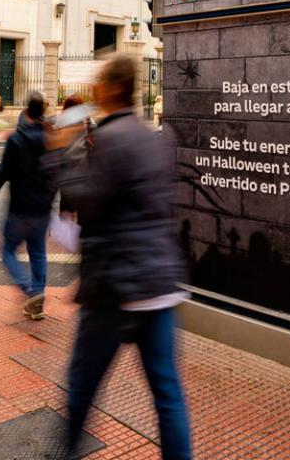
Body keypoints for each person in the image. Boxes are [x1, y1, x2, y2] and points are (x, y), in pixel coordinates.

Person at [46, 55, 191, 460]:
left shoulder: (109, 139)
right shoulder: (157, 138)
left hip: (115, 286)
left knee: (82, 384)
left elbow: (90, 205)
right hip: (161, 282)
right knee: (168, 393)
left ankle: (64, 453)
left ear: (111, 89)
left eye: (98, 81)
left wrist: (62, 154)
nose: (93, 87)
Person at [0, 90, 56, 320]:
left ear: (26, 112)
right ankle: (38, 296)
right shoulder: (50, 139)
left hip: (19, 207)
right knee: (38, 252)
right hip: (42, 207)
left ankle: (29, 289)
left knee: (6, 250)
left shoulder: (16, 139)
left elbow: (4, 171)